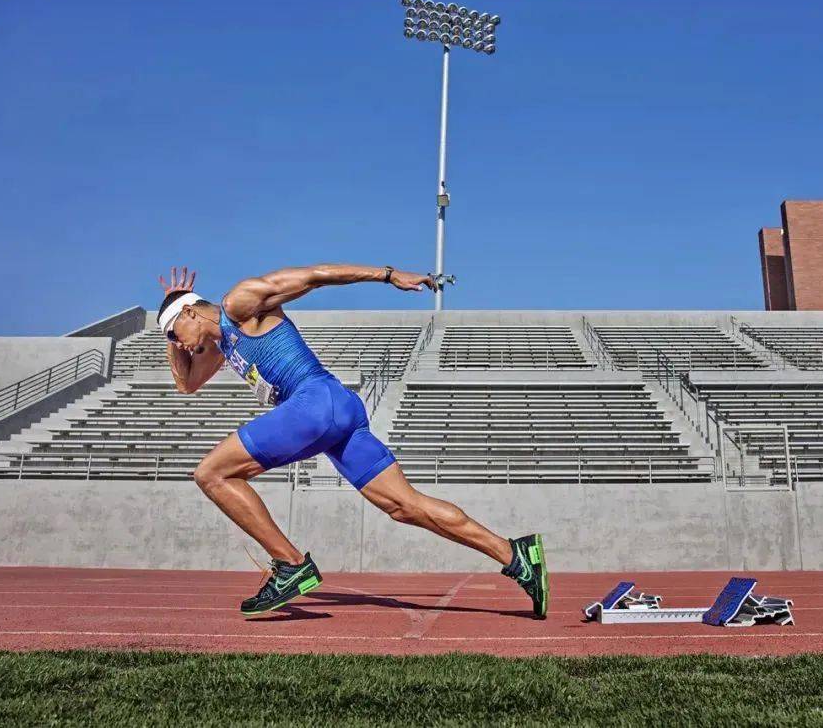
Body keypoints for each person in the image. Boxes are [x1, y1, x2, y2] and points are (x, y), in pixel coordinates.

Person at [156, 264, 548, 617]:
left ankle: (290, 564)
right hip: (337, 412)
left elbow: (314, 276)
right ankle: (516, 556)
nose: (179, 343)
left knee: (211, 474)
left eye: (175, 333)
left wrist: (387, 275)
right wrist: (170, 331)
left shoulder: (238, 304)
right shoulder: (220, 345)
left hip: (314, 402)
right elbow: (186, 384)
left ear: (190, 311)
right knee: (404, 506)